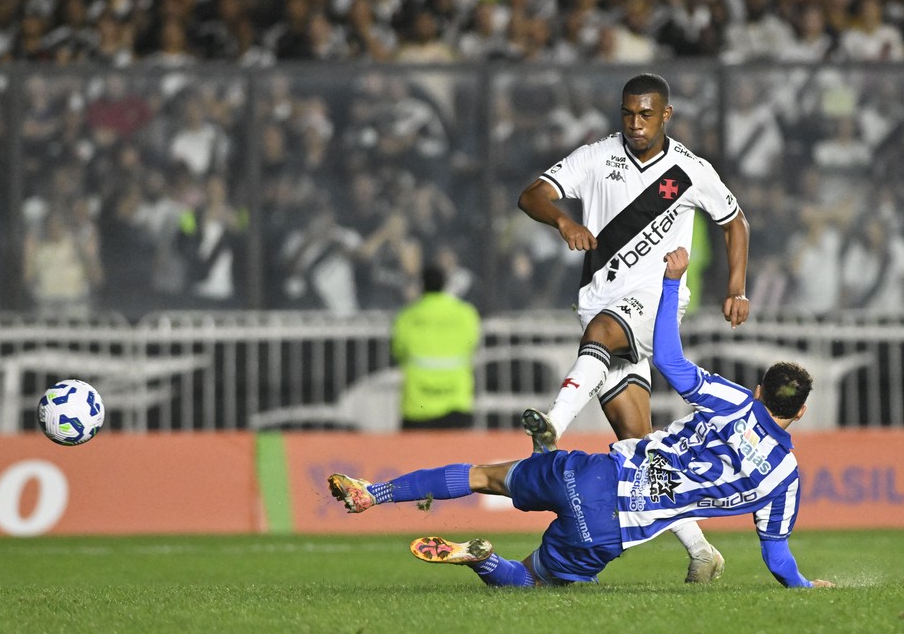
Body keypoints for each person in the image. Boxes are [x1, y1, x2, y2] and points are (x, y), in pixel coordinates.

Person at [328, 248, 833, 590]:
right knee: (532, 580)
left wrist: (670, 284)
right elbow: (777, 556)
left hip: (594, 471)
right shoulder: (784, 478)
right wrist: (805, 586)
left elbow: (669, 359)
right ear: (801, 411)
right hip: (611, 525)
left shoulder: (735, 400)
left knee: (481, 475)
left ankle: (376, 493)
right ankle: (484, 559)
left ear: (760, 391)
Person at [515, 72, 750, 581]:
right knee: (638, 445)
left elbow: (735, 222)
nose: (635, 123)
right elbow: (532, 195)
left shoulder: (689, 170)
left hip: (655, 302)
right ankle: (702, 551)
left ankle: (553, 425)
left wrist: (736, 288)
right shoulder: (597, 156)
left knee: (602, 332)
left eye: (646, 114)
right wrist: (563, 221)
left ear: (666, 115)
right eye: (628, 113)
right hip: (598, 299)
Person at [391, 265, 481, 429]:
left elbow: (399, 351)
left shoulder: (407, 316)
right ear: (445, 284)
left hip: (418, 404)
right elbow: (472, 345)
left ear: (422, 285)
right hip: (455, 400)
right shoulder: (465, 313)